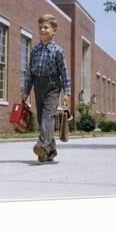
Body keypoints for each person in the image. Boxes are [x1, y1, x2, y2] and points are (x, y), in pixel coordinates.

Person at [22, 14, 71, 162]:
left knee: (48, 117)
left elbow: (64, 72)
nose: (43, 30)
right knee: (42, 117)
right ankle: (51, 151)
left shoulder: (58, 51)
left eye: (46, 27)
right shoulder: (35, 50)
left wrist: (66, 93)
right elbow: (29, 72)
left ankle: (42, 145)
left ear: (54, 30)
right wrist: (26, 91)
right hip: (38, 86)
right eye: (40, 27)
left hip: (52, 87)